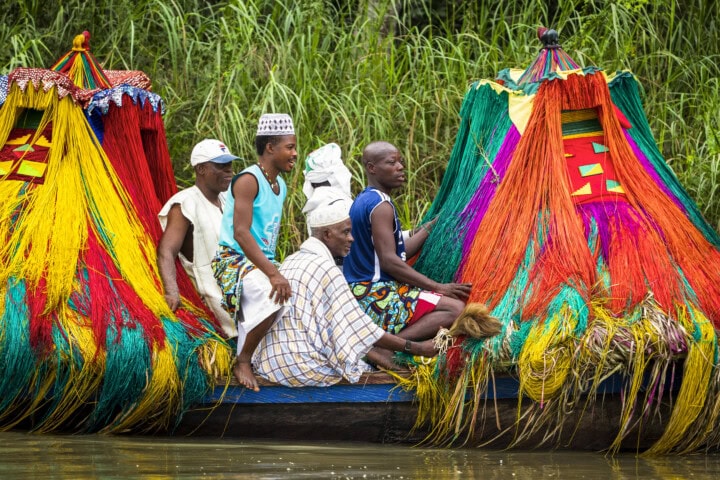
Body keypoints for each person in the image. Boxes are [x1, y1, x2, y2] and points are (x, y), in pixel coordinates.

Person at [253, 199, 438, 387]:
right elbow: (361, 328)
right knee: (361, 364)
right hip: (303, 367)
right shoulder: (327, 270)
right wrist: (417, 348)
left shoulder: (291, 260)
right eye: (346, 232)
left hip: (272, 364)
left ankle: (377, 354)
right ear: (327, 235)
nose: (352, 238)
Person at [343, 141, 480, 355]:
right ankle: (385, 347)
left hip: (362, 293)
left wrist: (432, 226)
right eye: (392, 162)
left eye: (400, 162)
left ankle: (385, 344)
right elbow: (389, 261)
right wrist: (438, 287)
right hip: (376, 296)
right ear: (372, 168)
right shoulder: (381, 206)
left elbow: (399, 252)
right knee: (455, 309)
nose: (400, 167)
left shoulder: (365, 199)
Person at [211, 113, 297, 392]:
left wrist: (273, 270)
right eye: (290, 147)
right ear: (270, 147)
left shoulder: (280, 185)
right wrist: (273, 274)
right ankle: (243, 360)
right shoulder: (249, 180)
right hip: (233, 260)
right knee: (272, 295)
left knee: (297, 295)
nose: (295, 154)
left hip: (260, 262)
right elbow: (241, 233)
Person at [157, 139, 238, 338]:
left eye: (229, 164)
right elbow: (167, 250)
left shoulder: (228, 200)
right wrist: (172, 291)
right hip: (213, 298)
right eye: (221, 165)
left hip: (238, 286)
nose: (229, 170)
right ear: (201, 169)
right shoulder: (185, 204)